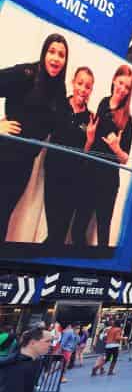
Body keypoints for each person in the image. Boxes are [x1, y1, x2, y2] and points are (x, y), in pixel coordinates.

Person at [0, 33, 68, 242]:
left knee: (3, 217)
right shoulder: (26, 73)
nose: (56, 59)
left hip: (23, 166)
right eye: (52, 52)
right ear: (44, 53)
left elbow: (61, 128)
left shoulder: (59, 90)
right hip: (4, 154)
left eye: (62, 55)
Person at [80, 65, 132, 247]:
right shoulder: (103, 103)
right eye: (121, 83)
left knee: (103, 233)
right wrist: (90, 135)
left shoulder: (128, 119)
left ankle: (100, 273)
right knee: (78, 229)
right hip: (89, 174)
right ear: (114, 80)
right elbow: (94, 137)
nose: (122, 89)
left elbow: (125, 158)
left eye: (127, 87)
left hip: (108, 181)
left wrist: (116, 148)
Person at [42, 66, 95, 246]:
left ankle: (42, 267)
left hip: (73, 180)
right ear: (73, 82)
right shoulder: (60, 104)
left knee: (60, 232)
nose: (83, 89)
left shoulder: (91, 119)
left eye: (87, 86)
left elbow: (86, 155)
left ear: (91, 90)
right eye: (80, 83)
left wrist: (89, 139)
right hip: (52, 173)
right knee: (55, 231)